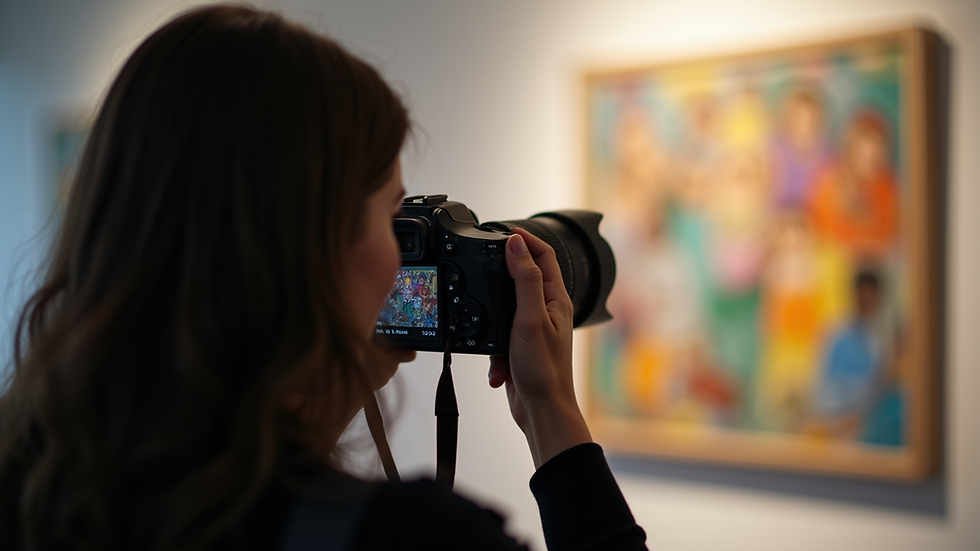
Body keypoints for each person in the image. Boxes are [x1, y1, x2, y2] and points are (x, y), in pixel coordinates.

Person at [0, 5, 646, 551]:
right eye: (390, 212)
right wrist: (550, 409)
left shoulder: (33, 476)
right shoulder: (411, 539)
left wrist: (333, 381)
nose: (403, 250)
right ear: (310, 240)